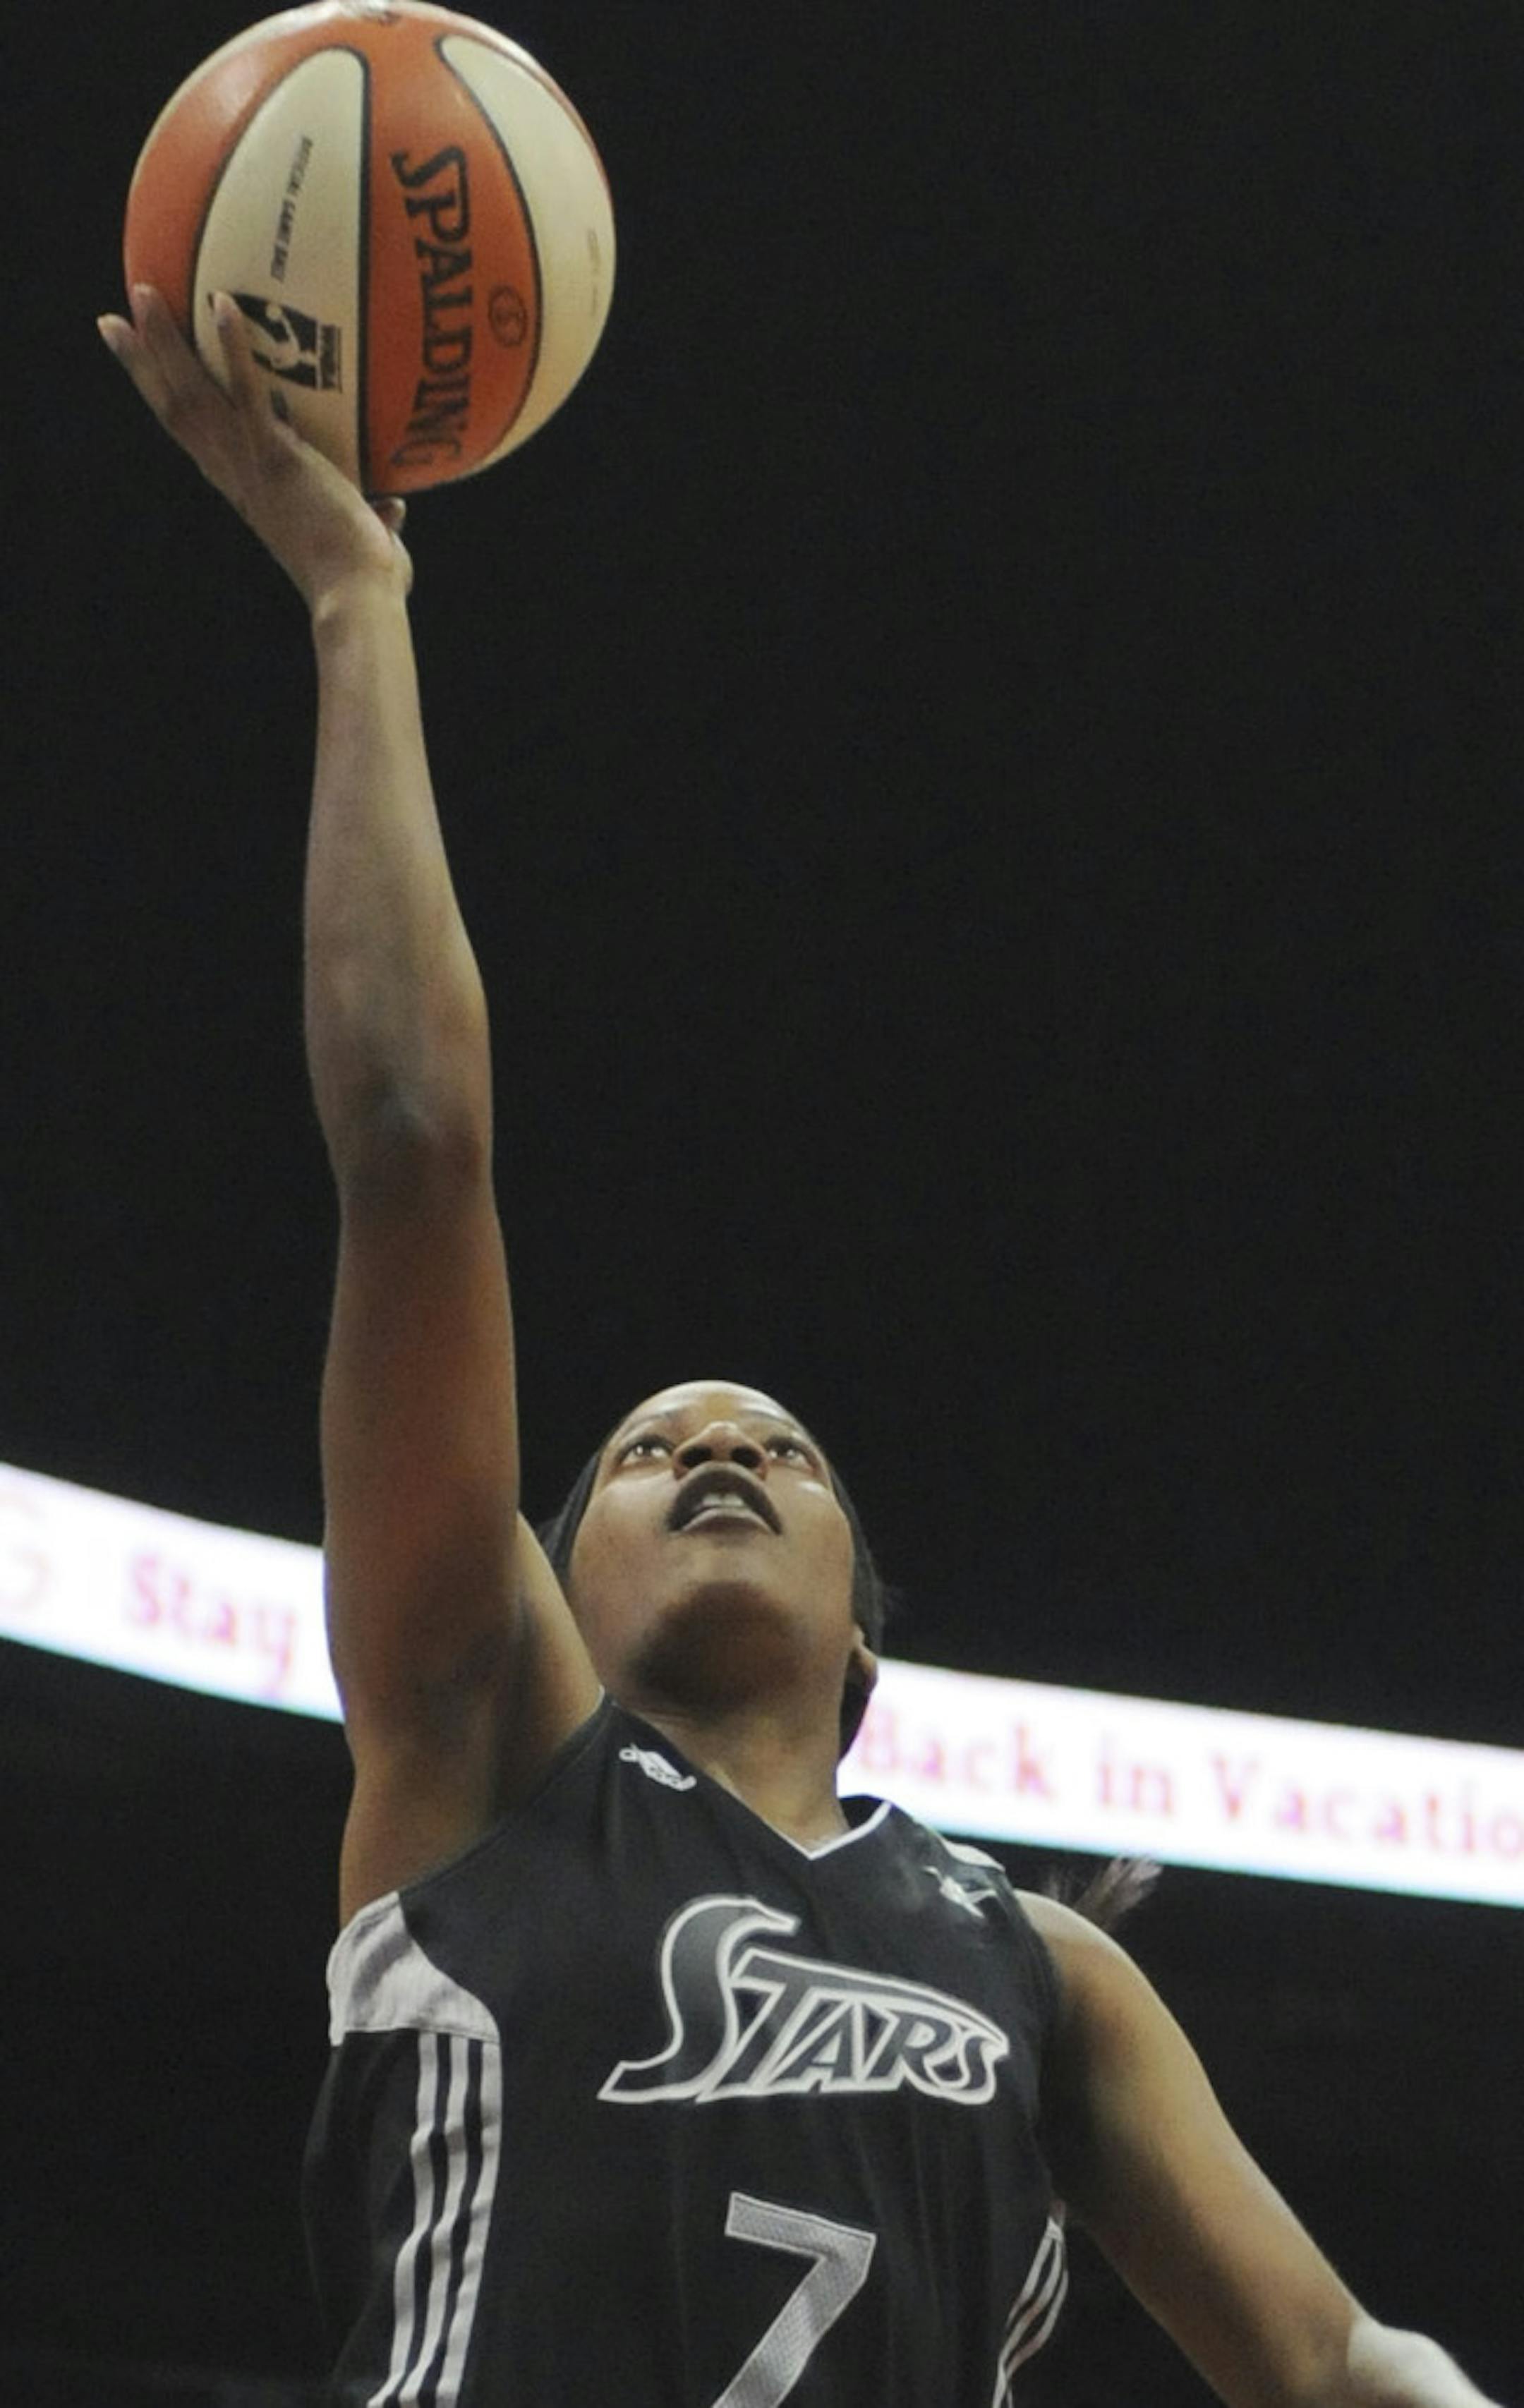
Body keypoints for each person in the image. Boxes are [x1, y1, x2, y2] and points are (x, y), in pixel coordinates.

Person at [98, 287, 1506, 2408]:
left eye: (782, 1449)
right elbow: (410, 1141)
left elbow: (1334, 2364)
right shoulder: (486, 1754)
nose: (726, 1448)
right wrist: (354, 603)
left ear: (869, 1648)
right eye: (655, 1453)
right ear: (542, 1581)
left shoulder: (1040, 1970)